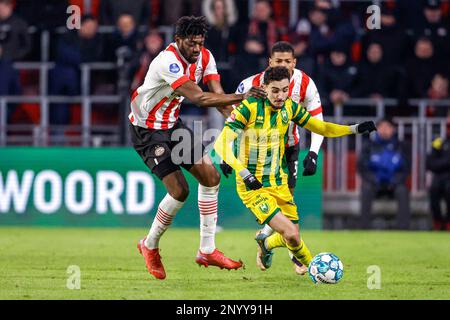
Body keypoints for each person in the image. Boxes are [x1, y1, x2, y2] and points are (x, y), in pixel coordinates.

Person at [130, 16, 266, 280]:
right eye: (191, 43)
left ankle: (207, 249)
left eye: (200, 43)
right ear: (178, 40)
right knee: (180, 191)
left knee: (211, 176)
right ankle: (149, 245)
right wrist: (244, 96)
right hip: (147, 130)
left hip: (172, 124)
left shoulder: (205, 57)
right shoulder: (166, 61)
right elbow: (200, 97)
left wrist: (242, 128)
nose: (196, 49)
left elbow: (219, 97)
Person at [214, 66, 376, 274]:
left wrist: (354, 129)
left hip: (279, 183)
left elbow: (321, 127)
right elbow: (220, 145)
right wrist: (244, 173)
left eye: (284, 89)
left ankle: (266, 243)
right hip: (253, 187)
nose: (280, 95)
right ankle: (315, 270)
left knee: (293, 237)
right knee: (290, 231)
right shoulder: (249, 107)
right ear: (264, 87)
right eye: (275, 90)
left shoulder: (289, 107)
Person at [220, 41, 324, 274]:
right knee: (274, 210)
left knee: (288, 203)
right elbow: (232, 116)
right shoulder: (251, 84)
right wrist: (228, 154)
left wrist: (314, 151)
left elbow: (318, 119)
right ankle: (273, 243)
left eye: (288, 61)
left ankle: (280, 248)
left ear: (294, 62)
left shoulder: (305, 83)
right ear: (270, 62)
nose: (283, 65)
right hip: (255, 152)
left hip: (288, 147)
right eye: (278, 61)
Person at [357, 118, 412, 230]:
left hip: (394, 183)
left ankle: (403, 228)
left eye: (387, 127)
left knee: (403, 191)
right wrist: (374, 179)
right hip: (374, 183)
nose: (384, 130)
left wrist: (395, 181)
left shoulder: (401, 146)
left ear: (393, 129)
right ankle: (364, 227)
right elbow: (362, 168)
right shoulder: (369, 146)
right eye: (381, 127)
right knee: (366, 189)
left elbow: (406, 169)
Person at [426, 134, 450, 231]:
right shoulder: (440, 142)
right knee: (433, 189)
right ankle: (437, 220)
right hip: (440, 176)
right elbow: (430, 164)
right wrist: (447, 162)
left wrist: (442, 163)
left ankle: (449, 220)